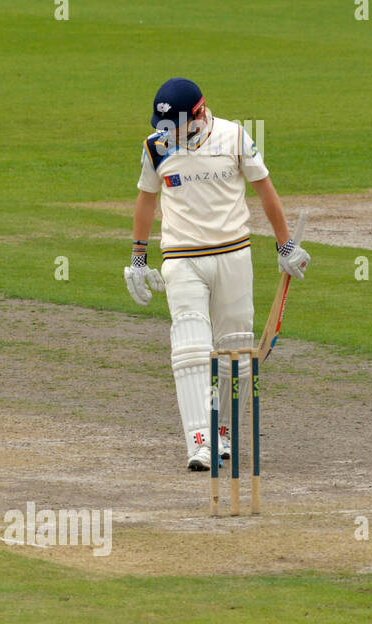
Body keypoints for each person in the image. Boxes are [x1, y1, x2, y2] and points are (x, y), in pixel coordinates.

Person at [127, 77, 310, 470]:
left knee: (236, 354)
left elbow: (265, 190)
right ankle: (200, 441)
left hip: (233, 255)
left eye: (174, 126)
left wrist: (285, 245)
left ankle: (223, 433)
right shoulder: (155, 147)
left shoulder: (235, 137)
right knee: (191, 350)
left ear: (198, 114)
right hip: (181, 257)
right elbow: (146, 200)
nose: (167, 134)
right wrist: (138, 259)